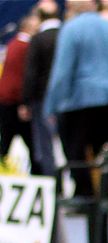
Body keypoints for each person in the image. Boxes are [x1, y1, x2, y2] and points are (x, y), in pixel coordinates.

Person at [44, 0, 108, 197]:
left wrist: (52, 105)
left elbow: (62, 71)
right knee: (106, 149)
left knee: (75, 151)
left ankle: (84, 195)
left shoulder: (71, 29)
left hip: (80, 100)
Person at [22, 0, 61, 177]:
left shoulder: (38, 39)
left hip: (42, 99)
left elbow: (31, 74)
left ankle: (52, 184)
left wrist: (25, 101)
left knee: (45, 145)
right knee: (67, 144)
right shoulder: (66, 34)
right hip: (66, 99)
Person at [0, 13, 42, 174]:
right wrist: (24, 102)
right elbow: (23, 78)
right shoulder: (25, 47)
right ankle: (38, 175)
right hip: (15, 102)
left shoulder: (12, 44)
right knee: (31, 143)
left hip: (7, 100)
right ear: (29, 27)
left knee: (7, 141)